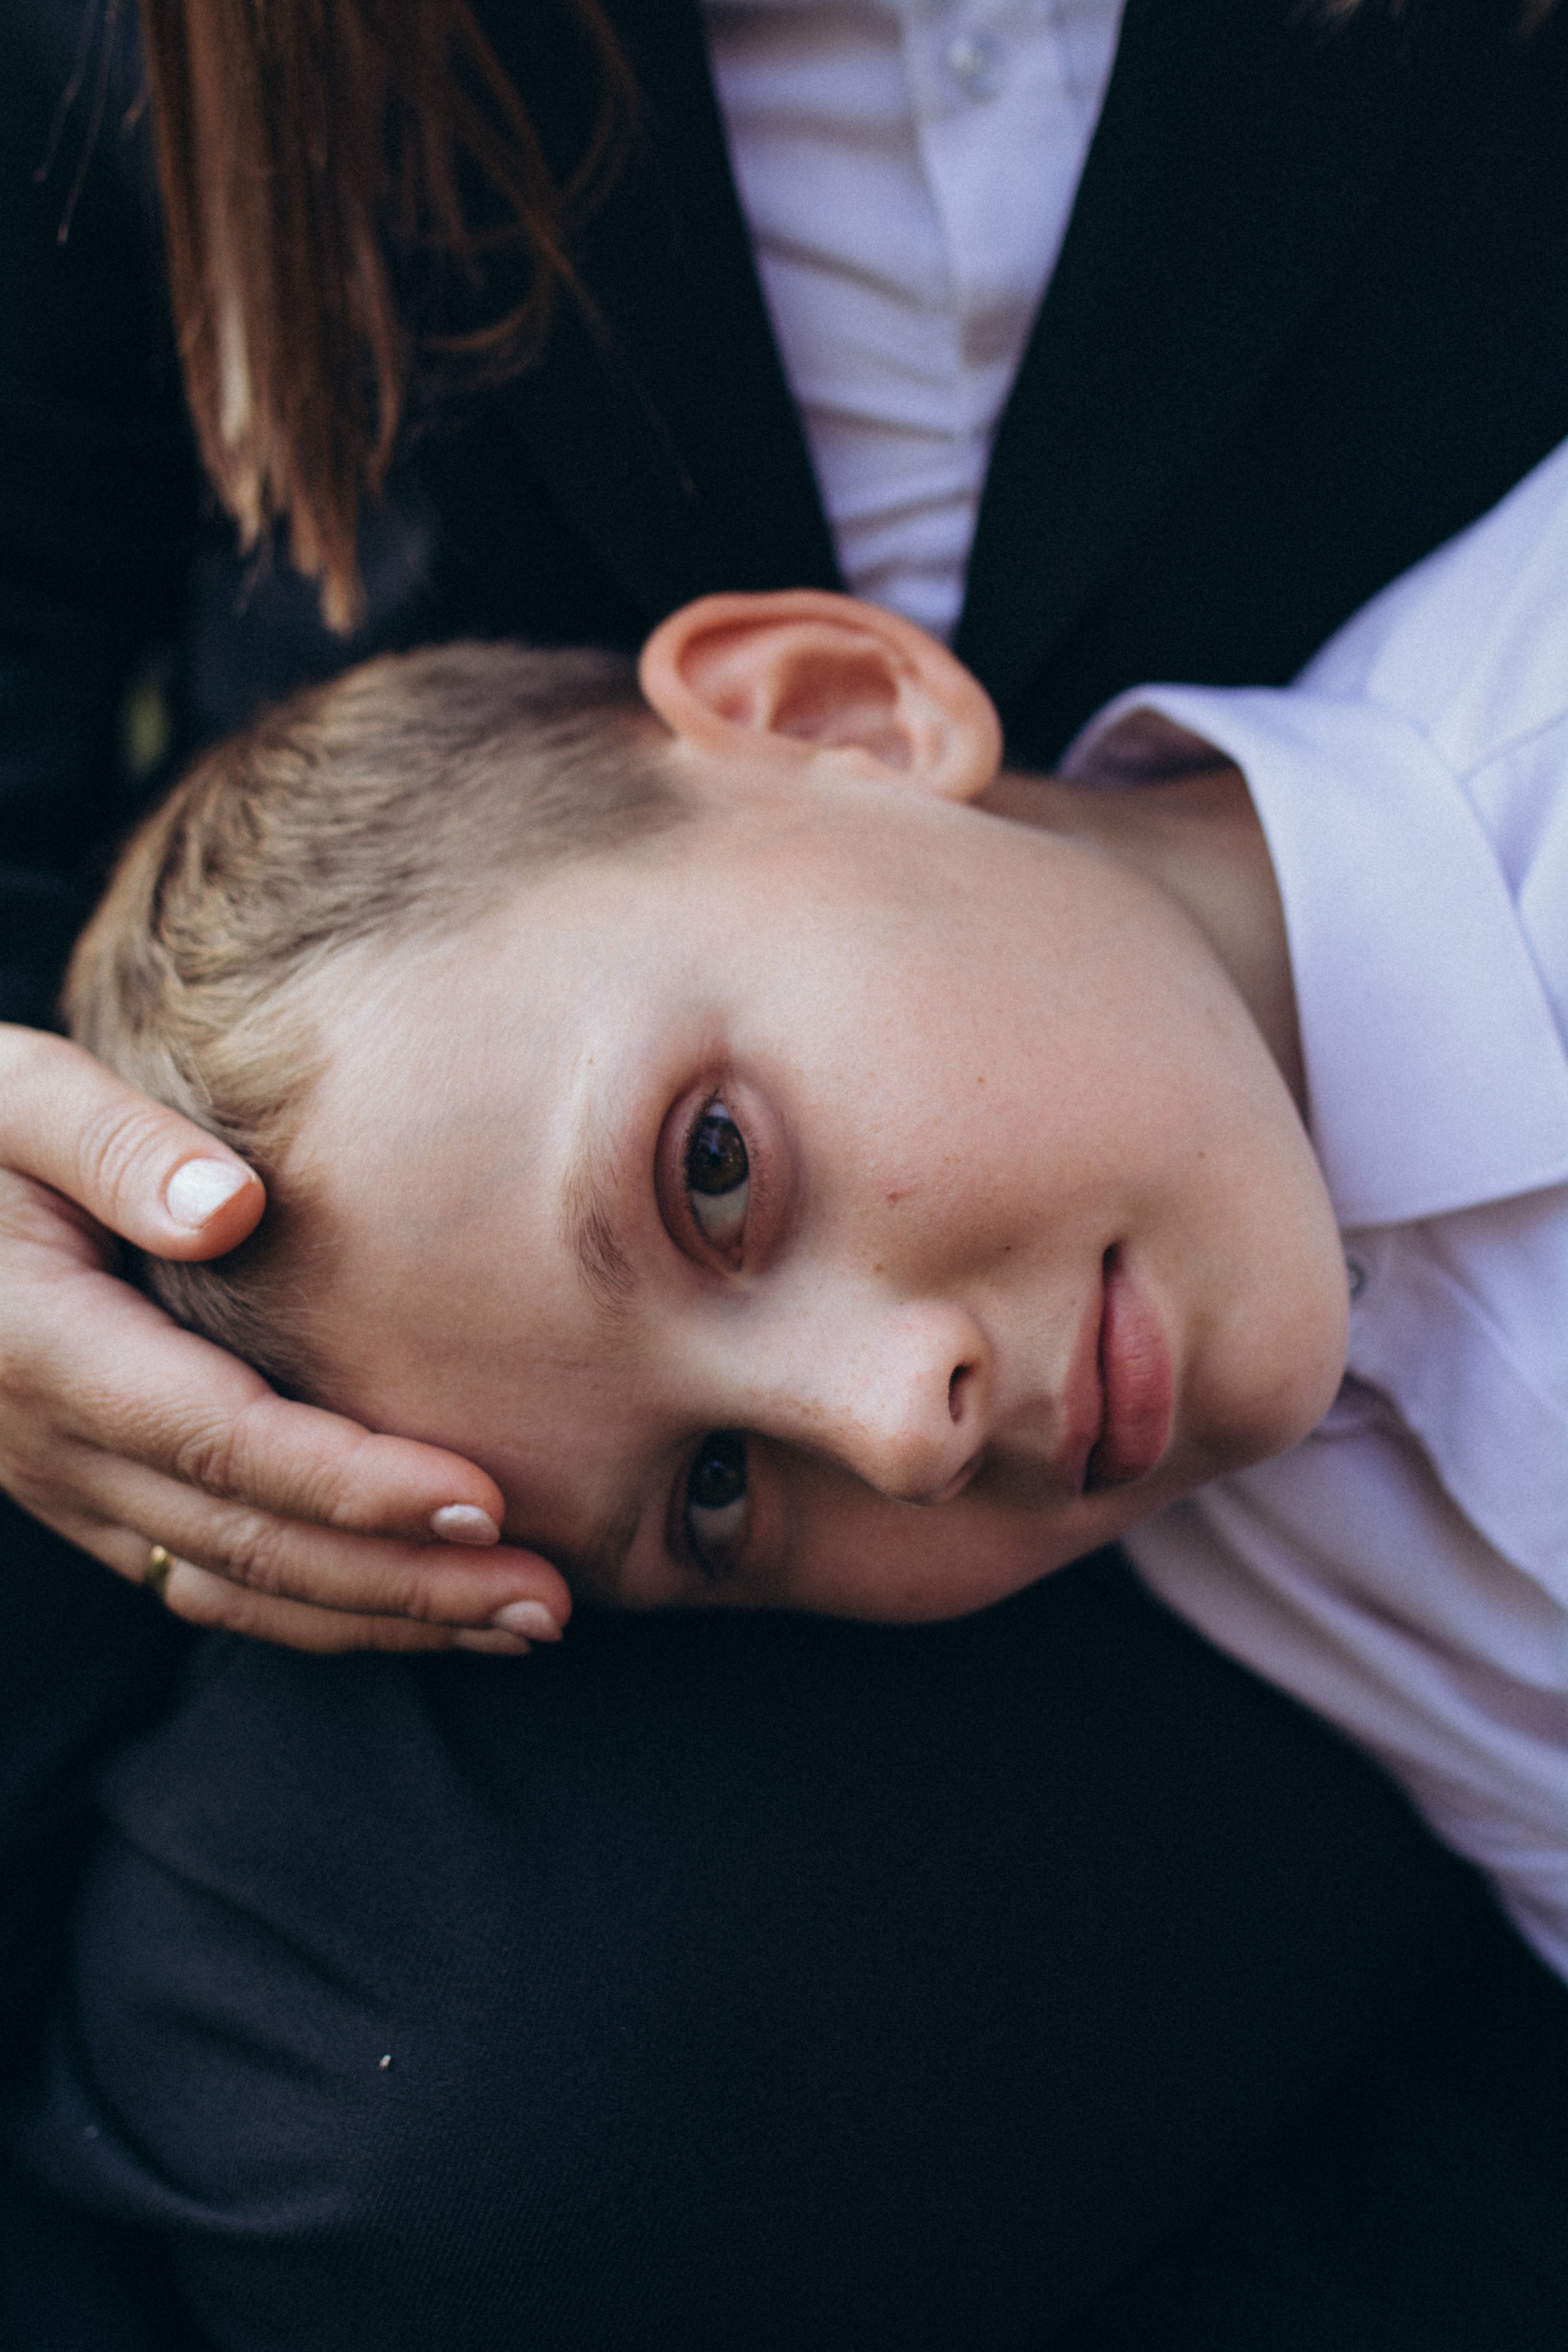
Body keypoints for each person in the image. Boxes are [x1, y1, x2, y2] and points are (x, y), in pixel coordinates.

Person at [3, 0, 1568, 2342]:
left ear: (839, 709)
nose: (895, 1429)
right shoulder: (1272, 1549)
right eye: (715, 1502)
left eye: (716, 1172)